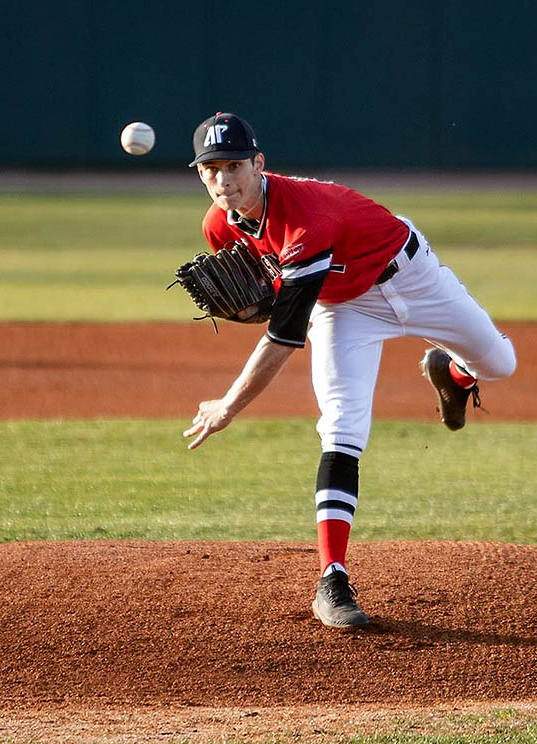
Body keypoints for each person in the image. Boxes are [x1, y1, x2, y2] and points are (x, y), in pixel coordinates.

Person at [182, 112, 516, 629]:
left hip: (411, 276)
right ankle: (332, 579)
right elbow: (277, 300)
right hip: (345, 308)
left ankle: (455, 375)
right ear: (200, 175)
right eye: (211, 169)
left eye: (234, 165)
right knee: (341, 426)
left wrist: (229, 405)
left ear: (259, 164)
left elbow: (285, 335)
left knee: (500, 363)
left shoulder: (304, 220)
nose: (224, 180)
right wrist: (266, 303)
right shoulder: (218, 226)